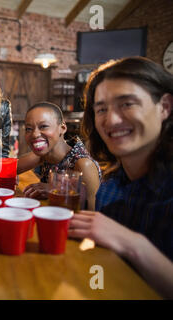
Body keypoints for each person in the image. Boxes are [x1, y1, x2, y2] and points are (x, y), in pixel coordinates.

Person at [69, 57, 173, 299]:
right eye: (101, 109)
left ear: (165, 107)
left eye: (127, 104)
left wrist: (133, 245)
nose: (112, 120)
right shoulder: (110, 188)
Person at [17, 102, 101, 210]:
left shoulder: (83, 164)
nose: (35, 134)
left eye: (43, 126)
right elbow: (9, 168)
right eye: (29, 129)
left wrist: (54, 189)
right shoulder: (45, 153)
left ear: (62, 128)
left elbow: (93, 214)